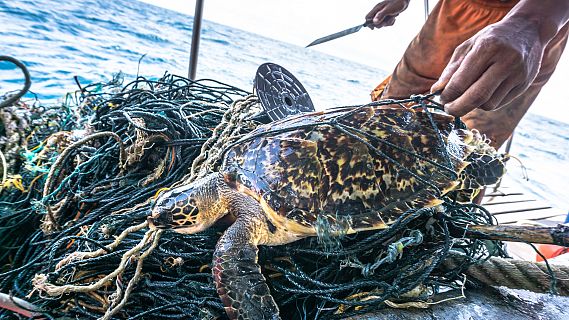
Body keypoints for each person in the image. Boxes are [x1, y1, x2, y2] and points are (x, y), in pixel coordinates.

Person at [366, 0, 569, 148]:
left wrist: (535, 21)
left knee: (474, 149)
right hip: (454, 12)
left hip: (534, 29)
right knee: (385, 120)